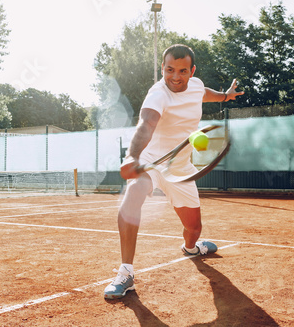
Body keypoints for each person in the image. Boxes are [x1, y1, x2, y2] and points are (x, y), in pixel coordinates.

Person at [104, 44, 244, 299]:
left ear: (192, 71)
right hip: (151, 163)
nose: (175, 77)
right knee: (132, 197)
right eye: (169, 70)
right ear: (162, 68)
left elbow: (205, 93)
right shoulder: (157, 94)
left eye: (182, 71)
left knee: (194, 228)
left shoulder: (196, 85)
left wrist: (225, 95)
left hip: (181, 169)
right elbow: (145, 124)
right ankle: (125, 273)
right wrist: (132, 156)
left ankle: (191, 248)